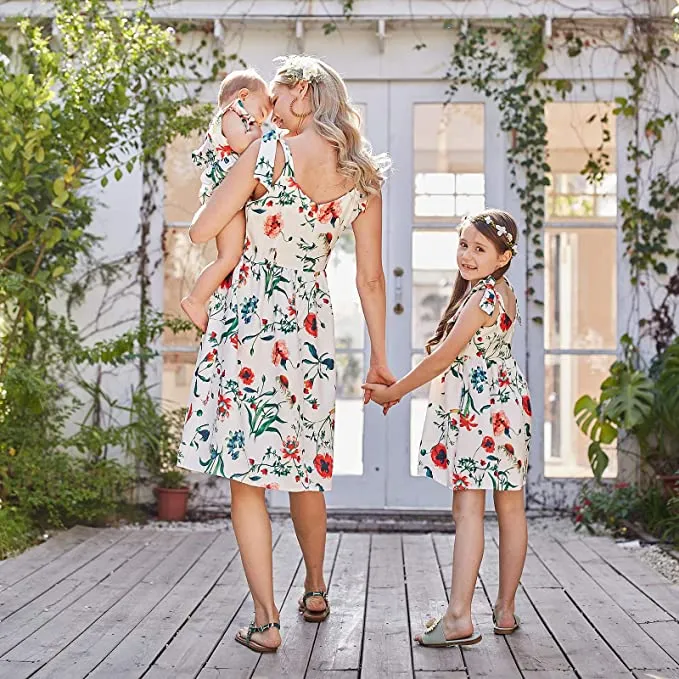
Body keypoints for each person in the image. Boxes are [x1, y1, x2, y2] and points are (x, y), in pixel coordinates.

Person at [178, 54, 393, 654]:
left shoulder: (267, 150)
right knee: (304, 468)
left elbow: (201, 230)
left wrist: (229, 157)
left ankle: (267, 622)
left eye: (275, 95)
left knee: (248, 482)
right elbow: (370, 281)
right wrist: (379, 356)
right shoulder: (363, 179)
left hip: (247, 326)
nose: (268, 108)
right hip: (307, 332)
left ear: (303, 92)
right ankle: (317, 589)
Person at [363, 209, 531, 647]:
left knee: (469, 509)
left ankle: (459, 617)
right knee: (510, 508)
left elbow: (443, 359)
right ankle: (505, 611)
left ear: (503, 257)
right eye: (464, 245)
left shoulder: (480, 299)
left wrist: (394, 391)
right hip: (508, 405)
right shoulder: (504, 293)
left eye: (480, 249)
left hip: (481, 411)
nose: (468, 255)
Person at [181, 69, 272, 332]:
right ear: (243, 96)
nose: (262, 121)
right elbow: (242, 144)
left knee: (232, 256)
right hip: (223, 191)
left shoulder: (240, 115)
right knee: (228, 257)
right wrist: (258, 137)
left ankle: (201, 298)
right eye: (262, 113)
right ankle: (196, 299)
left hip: (227, 190)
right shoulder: (232, 114)